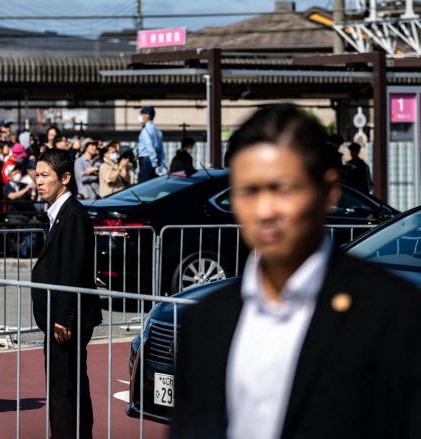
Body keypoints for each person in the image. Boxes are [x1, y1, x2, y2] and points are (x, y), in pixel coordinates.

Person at [170, 104, 421, 439]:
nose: (264, 210)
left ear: (329, 191)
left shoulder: (395, 314)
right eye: (248, 191)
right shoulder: (208, 320)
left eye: (283, 189)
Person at [31, 148, 102, 439]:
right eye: (36, 175)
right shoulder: (58, 213)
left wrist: (63, 318)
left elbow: (73, 269)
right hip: (63, 318)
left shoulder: (72, 214)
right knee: (71, 382)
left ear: (65, 178)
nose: (38, 181)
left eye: (44, 175)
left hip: (67, 321)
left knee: (63, 386)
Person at [136, 106, 165, 183]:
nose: (140, 116)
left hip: (147, 162)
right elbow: (161, 151)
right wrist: (160, 166)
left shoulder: (146, 130)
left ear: (148, 115)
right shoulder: (158, 131)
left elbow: (150, 148)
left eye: (142, 114)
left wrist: (154, 164)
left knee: (143, 187)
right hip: (155, 162)